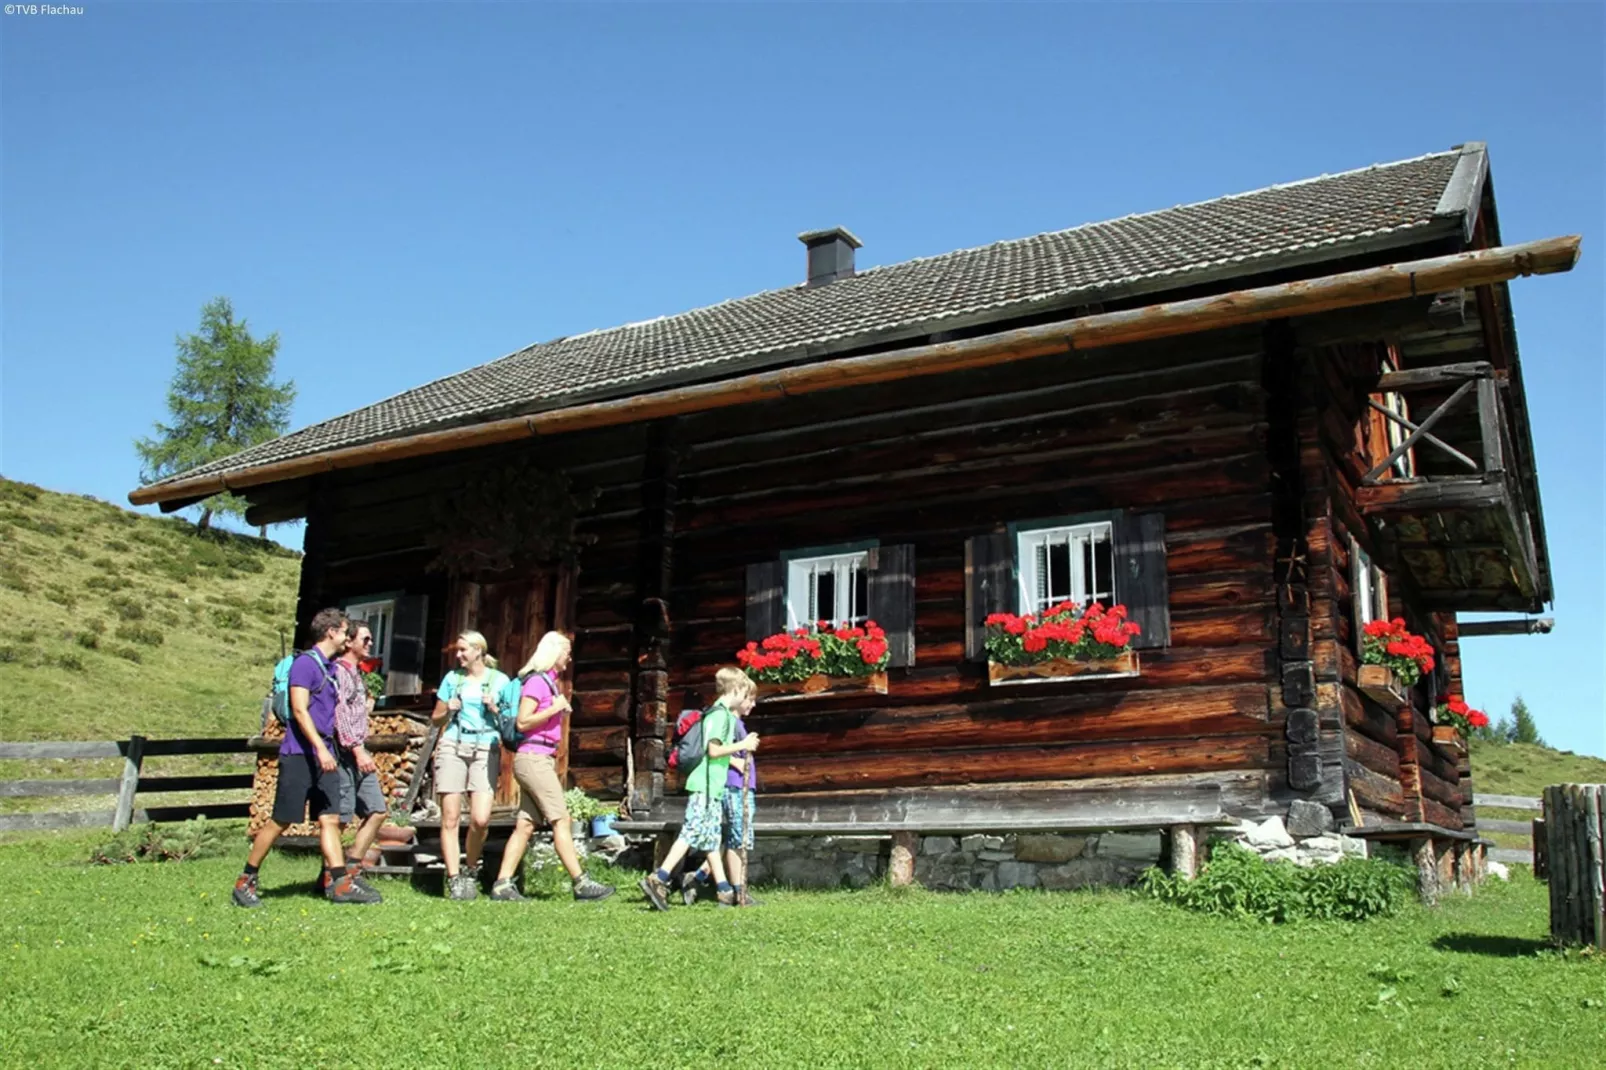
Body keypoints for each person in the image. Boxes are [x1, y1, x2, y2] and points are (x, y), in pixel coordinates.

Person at [232, 608, 380, 907]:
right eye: (344, 631)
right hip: (300, 754)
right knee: (282, 820)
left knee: (329, 818)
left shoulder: (328, 668)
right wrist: (321, 748)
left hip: (325, 755)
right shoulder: (304, 664)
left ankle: (339, 883)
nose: (346, 637)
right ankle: (246, 879)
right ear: (331, 632)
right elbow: (299, 710)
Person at [488, 631, 614, 902]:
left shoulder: (547, 682)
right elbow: (523, 722)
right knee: (561, 819)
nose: (569, 658)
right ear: (553, 652)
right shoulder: (537, 683)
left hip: (537, 758)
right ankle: (581, 883)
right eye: (566, 652)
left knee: (525, 824)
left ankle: (502, 884)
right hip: (534, 758)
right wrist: (554, 707)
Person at [639, 668, 760, 910]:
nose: (747, 699)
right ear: (735, 690)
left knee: (710, 837)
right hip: (704, 785)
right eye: (745, 693)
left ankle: (724, 889)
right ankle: (659, 878)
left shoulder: (723, 714)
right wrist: (743, 744)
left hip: (712, 787)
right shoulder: (719, 716)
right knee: (691, 832)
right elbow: (713, 750)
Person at [430, 630, 508, 900]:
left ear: (479, 651)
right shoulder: (453, 679)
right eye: (458, 650)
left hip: (486, 747)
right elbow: (436, 719)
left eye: (464, 649)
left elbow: (511, 722)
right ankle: (454, 879)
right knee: (450, 817)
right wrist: (447, 709)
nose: (459, 654)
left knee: (480, 818)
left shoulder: (499, 681)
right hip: (453, 744)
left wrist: (496, 709)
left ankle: (471, 868)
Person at [682, 694, 761, 907]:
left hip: (740, 785)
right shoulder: (728, 721)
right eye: (750, 698)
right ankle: (736, 892)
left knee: (733, 836)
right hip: (733, 785)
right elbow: (717, 752)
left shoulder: (736, 722)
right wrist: (736, 761)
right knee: (738, 837)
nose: (753, 704)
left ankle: (698, 877)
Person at [327, 618, 386, 896]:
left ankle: (350, 870)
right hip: (345, 753)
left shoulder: (357, 674)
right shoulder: (340, 672)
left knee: (377, 810)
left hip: (359, 749)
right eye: (365, 639)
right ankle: (332, 877)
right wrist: (357, 749)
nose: (370, 643)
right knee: (339, 817)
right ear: (348, 642)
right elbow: (339, 713)